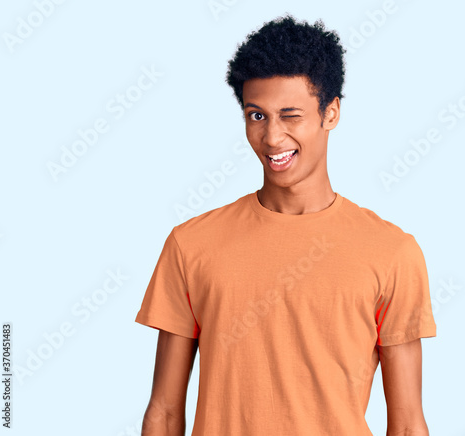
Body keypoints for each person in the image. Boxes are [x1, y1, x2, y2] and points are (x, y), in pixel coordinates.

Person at [134, 14, 436, 435]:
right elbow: (164, 412)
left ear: (331, 113)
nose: (272, 137)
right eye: (257, 116)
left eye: (290, 115)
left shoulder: (392, 253)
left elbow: (406, 425)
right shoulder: (191, 245)